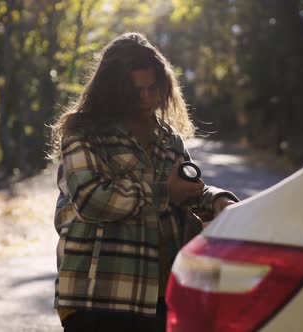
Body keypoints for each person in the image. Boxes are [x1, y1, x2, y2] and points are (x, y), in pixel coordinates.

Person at [49, 32, 238, 332]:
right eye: (136, 91)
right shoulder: (83, 131)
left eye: (152, 88)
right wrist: (165, 193)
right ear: (113, 90)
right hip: (98, 297)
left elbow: (187, 187)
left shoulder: (167, 137)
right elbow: (91, 199)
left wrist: (217, 200)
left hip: (160, 295)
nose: (146, 98)